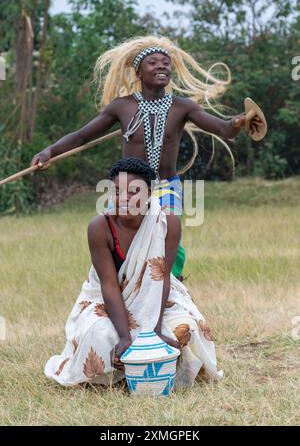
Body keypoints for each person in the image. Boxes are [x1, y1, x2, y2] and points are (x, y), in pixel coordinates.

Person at [31, 35, 262, 278]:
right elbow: (81, 136)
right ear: (139, 72)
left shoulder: (183, 107)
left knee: (168, 232)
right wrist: (49, 152)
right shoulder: (122, 107)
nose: (161, 65)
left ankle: (172, 284)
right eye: (153, 62)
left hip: (165, 185)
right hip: (128, 188)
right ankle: (115, 285)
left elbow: (224, 129)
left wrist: (238, 122)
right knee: (113, 233)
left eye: (166, 62)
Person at [44, 158, 223, 388]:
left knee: (186, 328)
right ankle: (119, 377)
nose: (124, 199)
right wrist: (125, 337)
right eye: (117, 191)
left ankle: (156, 372)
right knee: (99, 334)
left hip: (157, 297)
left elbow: (163, 277)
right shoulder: (100, 228)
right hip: (108, 300)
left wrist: (154, 331)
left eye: (133, 192)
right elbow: (108, 285)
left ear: (149, 193)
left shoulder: (167, 222)